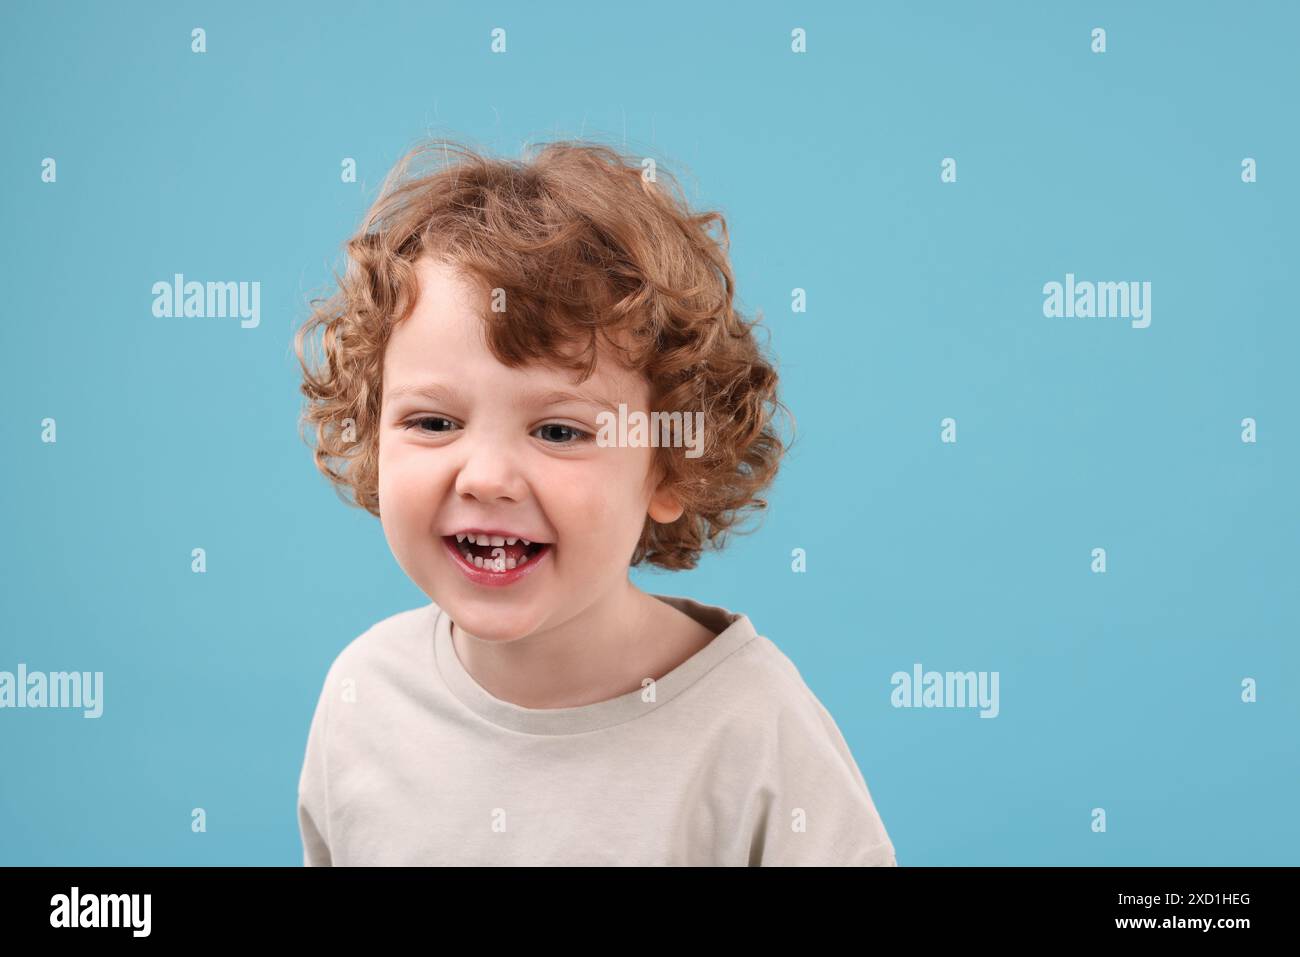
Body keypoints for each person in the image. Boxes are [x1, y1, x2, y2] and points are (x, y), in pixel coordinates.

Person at [292, 137, 896, 866]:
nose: (486, 477)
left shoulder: (755, 731)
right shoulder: (364, 698)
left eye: (557, 429)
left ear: (671, 467)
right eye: (433, 421)